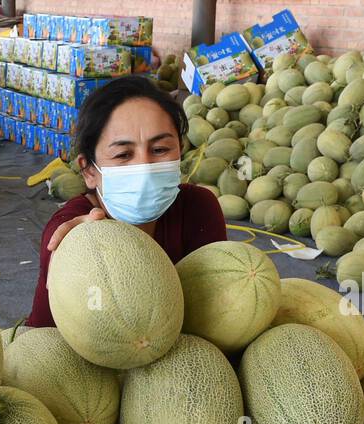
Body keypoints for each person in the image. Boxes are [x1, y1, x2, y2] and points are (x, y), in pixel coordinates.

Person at [27, 76, 226, 326]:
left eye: (160, 149)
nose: (144, 166)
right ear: (89, 171)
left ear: (180, 151)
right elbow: (48, 343)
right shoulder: (68, 232)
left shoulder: (199, 208)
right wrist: (79, 252)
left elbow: (219, 314)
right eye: (123, 154)